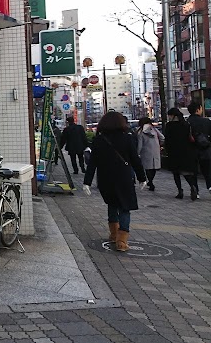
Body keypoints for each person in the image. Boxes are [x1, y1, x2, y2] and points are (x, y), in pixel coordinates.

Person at [82, 111, 147, 252]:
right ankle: (122, 241)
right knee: (125, 208)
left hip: (105, 179)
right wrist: (142, 178)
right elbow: (135, 160)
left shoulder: (99, 140)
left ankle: (113, 234)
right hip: (124, 178)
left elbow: (92, 163)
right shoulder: (127, 138)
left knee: (112, 205)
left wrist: (87, 182)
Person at [163, 107, 200, 200]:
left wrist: (166, 150)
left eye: (169, 115)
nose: (169, 117)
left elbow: (167, 139)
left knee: (176, 172)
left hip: (174, 152)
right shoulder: (186, 124)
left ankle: (180, 191)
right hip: (186, 152)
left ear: (173, 116)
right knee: (186, 172)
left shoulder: (169, 126)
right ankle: (192, 186)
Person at [186, 101, 211, 197]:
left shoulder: (187, 122)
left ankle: (195, 190)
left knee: (193, 172)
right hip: (206, 150)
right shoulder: (206, 121)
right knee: (207, 171)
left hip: (191, 150)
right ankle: (210, 186)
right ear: (198, 110)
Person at [136, 117, 164, 191]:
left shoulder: (141, 132)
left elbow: (140, 144)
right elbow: (162, 137)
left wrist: (137, 153)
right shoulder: (154, 129)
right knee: (154, 168)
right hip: (155, 151)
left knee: (147, 168)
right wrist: (159, 145)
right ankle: (151, 181)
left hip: (146, 151)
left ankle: (150, 181)